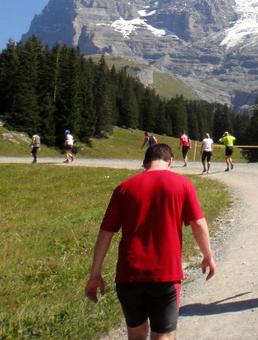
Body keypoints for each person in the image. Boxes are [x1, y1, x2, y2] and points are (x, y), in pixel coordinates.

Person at [85, 144, 216, 340]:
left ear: (145, 163)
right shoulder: (183, 184)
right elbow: (197, 222)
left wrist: (95, 273)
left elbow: (106, 232)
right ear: (170, 161)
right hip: (165, 275)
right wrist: (208, 255)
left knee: (136, 334)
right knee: (164, 336)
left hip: (128, 275)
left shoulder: (124, 188)